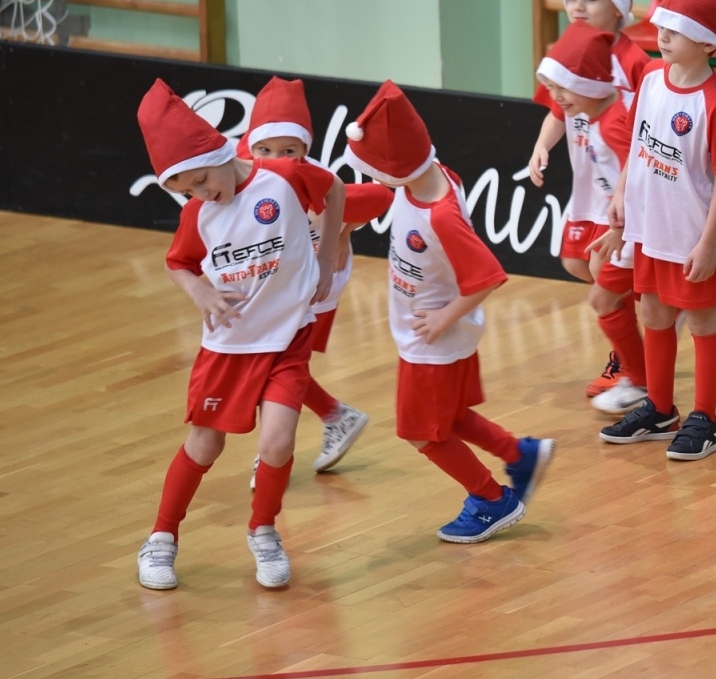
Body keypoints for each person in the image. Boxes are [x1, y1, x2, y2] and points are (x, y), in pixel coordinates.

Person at [134, 79, 344, 591]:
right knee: (205, 446)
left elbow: (335, 188)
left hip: (288, 338)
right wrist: (200, 293)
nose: (202, 192)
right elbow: (178, 264)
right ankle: (161, 539)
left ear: (222, 152)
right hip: (229, 346)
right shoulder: (198, 214)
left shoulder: (284, 177)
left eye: (203, 179)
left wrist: (325, 256)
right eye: (189, 190)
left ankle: (264, 531)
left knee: (277, 442)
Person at [342, 80, 554, 542]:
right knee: (451, 417)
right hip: (441, 333)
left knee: (420, 433)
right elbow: (384, 192)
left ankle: (491, 499)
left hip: (433, 339)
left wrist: (443, 317)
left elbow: (489, 275)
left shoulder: (440, 214)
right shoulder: (431, 174)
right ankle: (519, 454)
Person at [591, 0, 716, 460]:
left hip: (689, 235)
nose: (661, 38)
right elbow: (637, 144)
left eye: (673, 32)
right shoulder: (652, 77)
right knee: (652, 311)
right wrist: (620, 195)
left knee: (702, 322)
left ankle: (707, 418)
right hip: (647, 227)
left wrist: (707, 240)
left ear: (705, 42)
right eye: (661, 29)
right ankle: (659, 406)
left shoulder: (714, 101)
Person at [238, 76, 394, 486]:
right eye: (266, 150)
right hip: (270, 283)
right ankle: (335, 416)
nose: (278, 160)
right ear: (251, 148)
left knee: (272, 362)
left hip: (315, 286)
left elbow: (381, 197)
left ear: (305, 151)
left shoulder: (320, 185)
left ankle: (274, 452)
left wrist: (340, 235)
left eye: (289, 151)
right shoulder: (243, 176)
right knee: (271, 362)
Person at [527, 0, 651, 402]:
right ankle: (637, 333)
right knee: (576, 263)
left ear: (618, 5)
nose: (578, 7)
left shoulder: (633, 60)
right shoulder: (570, 48)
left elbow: (641, 130)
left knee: (606, 279)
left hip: (622, 187)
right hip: (588, 182)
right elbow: (557, 109)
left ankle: (631, 363)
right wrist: (543, 146)